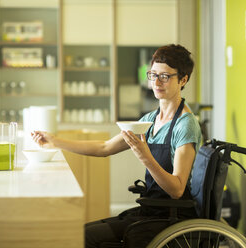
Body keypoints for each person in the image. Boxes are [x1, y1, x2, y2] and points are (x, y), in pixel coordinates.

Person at [31, 44, 202, 248]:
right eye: (153, 74)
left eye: (164, 76)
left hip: (171, 217)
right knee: (84, 232)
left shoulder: (185, 124)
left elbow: (177, 189)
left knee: (88, 238)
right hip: (151, 210)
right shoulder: (151, 119)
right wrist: (55, 141)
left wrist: (145, 157)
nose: (156, 82)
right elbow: (104, 148)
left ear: (183, 79)